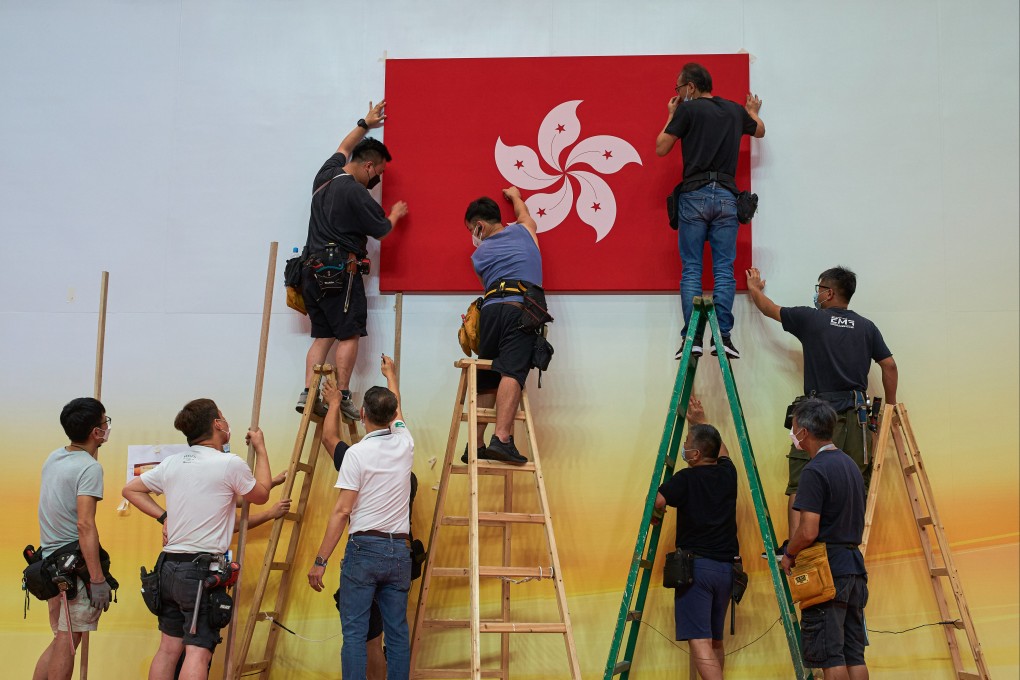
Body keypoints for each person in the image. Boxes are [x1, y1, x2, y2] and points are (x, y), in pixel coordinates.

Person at [745, 265, 897, 554]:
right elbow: (889, 365)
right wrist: (888, 409)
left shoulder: (811, 318)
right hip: (856, 416)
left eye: (819, 289)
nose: (817, 294)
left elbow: (769, 309)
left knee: (802, 480)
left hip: (818, 413)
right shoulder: (867, 327)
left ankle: (795, 550)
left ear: (828, 292)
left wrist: (754, 289)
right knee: (854, 480)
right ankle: (847, 547)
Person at [122, 399, 274, 680]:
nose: (227, 423)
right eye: (223, 417)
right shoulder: (229, 463)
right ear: (217, 424)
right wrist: (261, 448)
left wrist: (163, 517)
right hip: (200, 571)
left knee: (168, 649)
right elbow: (262, 494)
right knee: (198, 652)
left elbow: (131, 489)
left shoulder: (171, 463)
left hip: (168, 567)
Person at [297, 100, 409, 422]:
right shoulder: (357, 193)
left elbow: (344, 146)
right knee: (348, 334)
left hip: (310, 271)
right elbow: (383, 231)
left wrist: (366, 123)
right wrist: (396, 215)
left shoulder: (326, 175)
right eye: (379, 173)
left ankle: (308, 393)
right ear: (370, 167)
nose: (377, 180)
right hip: (340, 273)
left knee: (322, 335)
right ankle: (343, 395)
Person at [308, 355, 414, 680]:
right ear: (393, 414)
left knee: (354, 634)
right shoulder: (405, 443)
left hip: (364, 549)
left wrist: (321, 560)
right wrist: (391, 374)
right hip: (399, 552)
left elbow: (342, 512)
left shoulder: (355, 454)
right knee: (397, 634)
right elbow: (398, 413)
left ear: (364, 414)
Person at [655, 62, 765, 360]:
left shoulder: (687, 111)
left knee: (692, 268)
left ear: (690, 87)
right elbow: (760, 131)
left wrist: (671, 115)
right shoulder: (732, 110)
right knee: (723, 270)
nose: (678, 93)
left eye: (679, 88)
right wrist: (751, 111)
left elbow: (661, 147)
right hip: (728, 198)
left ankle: (692, 339)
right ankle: (724, 339)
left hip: (694, 195)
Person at [782, 399, 869, 679]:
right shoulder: (851, 466)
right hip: (855, 567)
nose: (792, 434)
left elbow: (808, 530)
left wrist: (789, 554)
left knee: (831, 657)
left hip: (828, 571)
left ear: (804, 432)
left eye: (794, 427)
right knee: (854, 654)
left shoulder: (814, 470)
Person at [652, 396, 737, 680]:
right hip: (726, 570)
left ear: (696, 455)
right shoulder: (728, 473)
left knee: (699, 641)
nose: (685, 447)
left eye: (688, 443)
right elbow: (721, 449)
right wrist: (700, 422)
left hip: (697, 570)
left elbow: (658, 501)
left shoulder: (686, 478)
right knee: (715, 640)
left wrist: (655, 513)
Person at [33, 398, 115, 680]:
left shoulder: (54, 457)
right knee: (68, 643)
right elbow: (84, 524)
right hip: (74, 570)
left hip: (50, 565)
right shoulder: (89, 467)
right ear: (96, 432)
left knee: (61, 639)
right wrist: (96, 578)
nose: (107, 426)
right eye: (105, 422)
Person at [461, 187, 540, 465]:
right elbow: (524, 214)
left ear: (480, 226)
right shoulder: (524, 231)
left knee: (488, 374)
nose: (473, 235)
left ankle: (475, 443)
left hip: (490, 309)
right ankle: (502, 439)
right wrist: (516, 196)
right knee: (512, 369)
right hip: (520, 306)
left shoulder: (479, 257)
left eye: (472, 229)